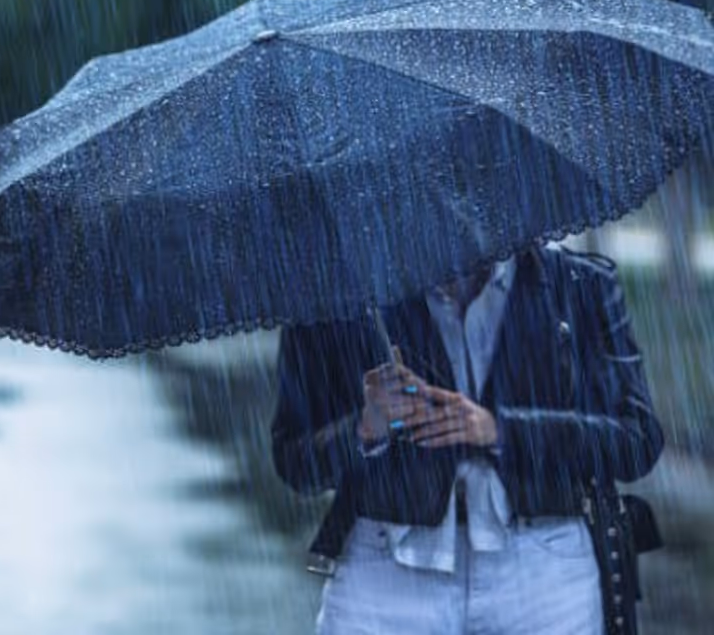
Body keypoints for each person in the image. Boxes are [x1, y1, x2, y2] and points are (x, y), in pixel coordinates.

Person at [271, 245, 664, 635]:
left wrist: (501, 430)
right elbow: (295, 463)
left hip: (544, 565)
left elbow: (636, 441)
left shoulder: (579, 285)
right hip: (385, 565)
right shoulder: (334, 298)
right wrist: (365, 427)